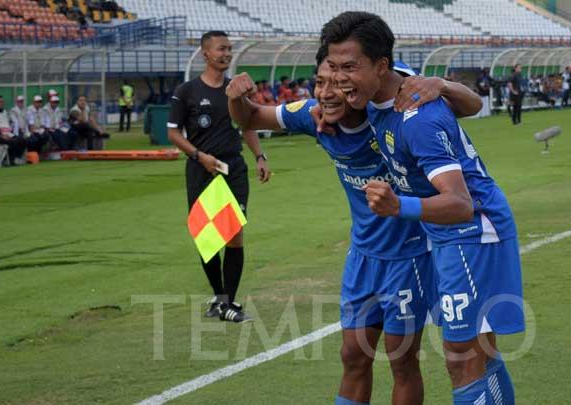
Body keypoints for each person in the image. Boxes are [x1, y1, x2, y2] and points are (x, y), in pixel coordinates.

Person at [228, 47, 482, 403]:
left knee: (402, 359)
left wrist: (439, 84)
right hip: (363, 255)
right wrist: (236, 97)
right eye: (320, 82)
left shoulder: (395, 108)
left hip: (409, 257)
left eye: (340, 82)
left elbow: (471, 105)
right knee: (352, 355)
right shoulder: (311, 115)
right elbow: (250, 117)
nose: (327, 92)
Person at [322, 11, 524, 404]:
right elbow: (469, 103)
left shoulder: (416, 118)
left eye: (350, 67)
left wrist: (399, 205)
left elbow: (461, 204)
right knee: (478, 351)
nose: (341, 78)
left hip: (472, 230)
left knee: (462, 357)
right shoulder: (392, 78)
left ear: (380, 67)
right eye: (334, 67)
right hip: (447, 235)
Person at [167, 31, 271, 324]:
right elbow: (173, 133)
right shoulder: (186, 92)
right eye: (221, 49)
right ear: (206, 54)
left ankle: (227, 302)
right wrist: (200, 156)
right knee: (207, 238)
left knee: (235, 234)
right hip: (201, 170)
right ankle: (220, 299)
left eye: (229, 49)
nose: (226, 53)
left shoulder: (234, 90)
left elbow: (248, 123)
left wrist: (259, 156)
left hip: (233, 170)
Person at [0, 95, 26, 165]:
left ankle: (11, 158)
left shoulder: (4, 112)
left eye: (2, 102)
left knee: (23, 140)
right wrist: (1, 135)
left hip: (8, 134)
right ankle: (7, 161)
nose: (1, 103)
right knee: (13, 142)